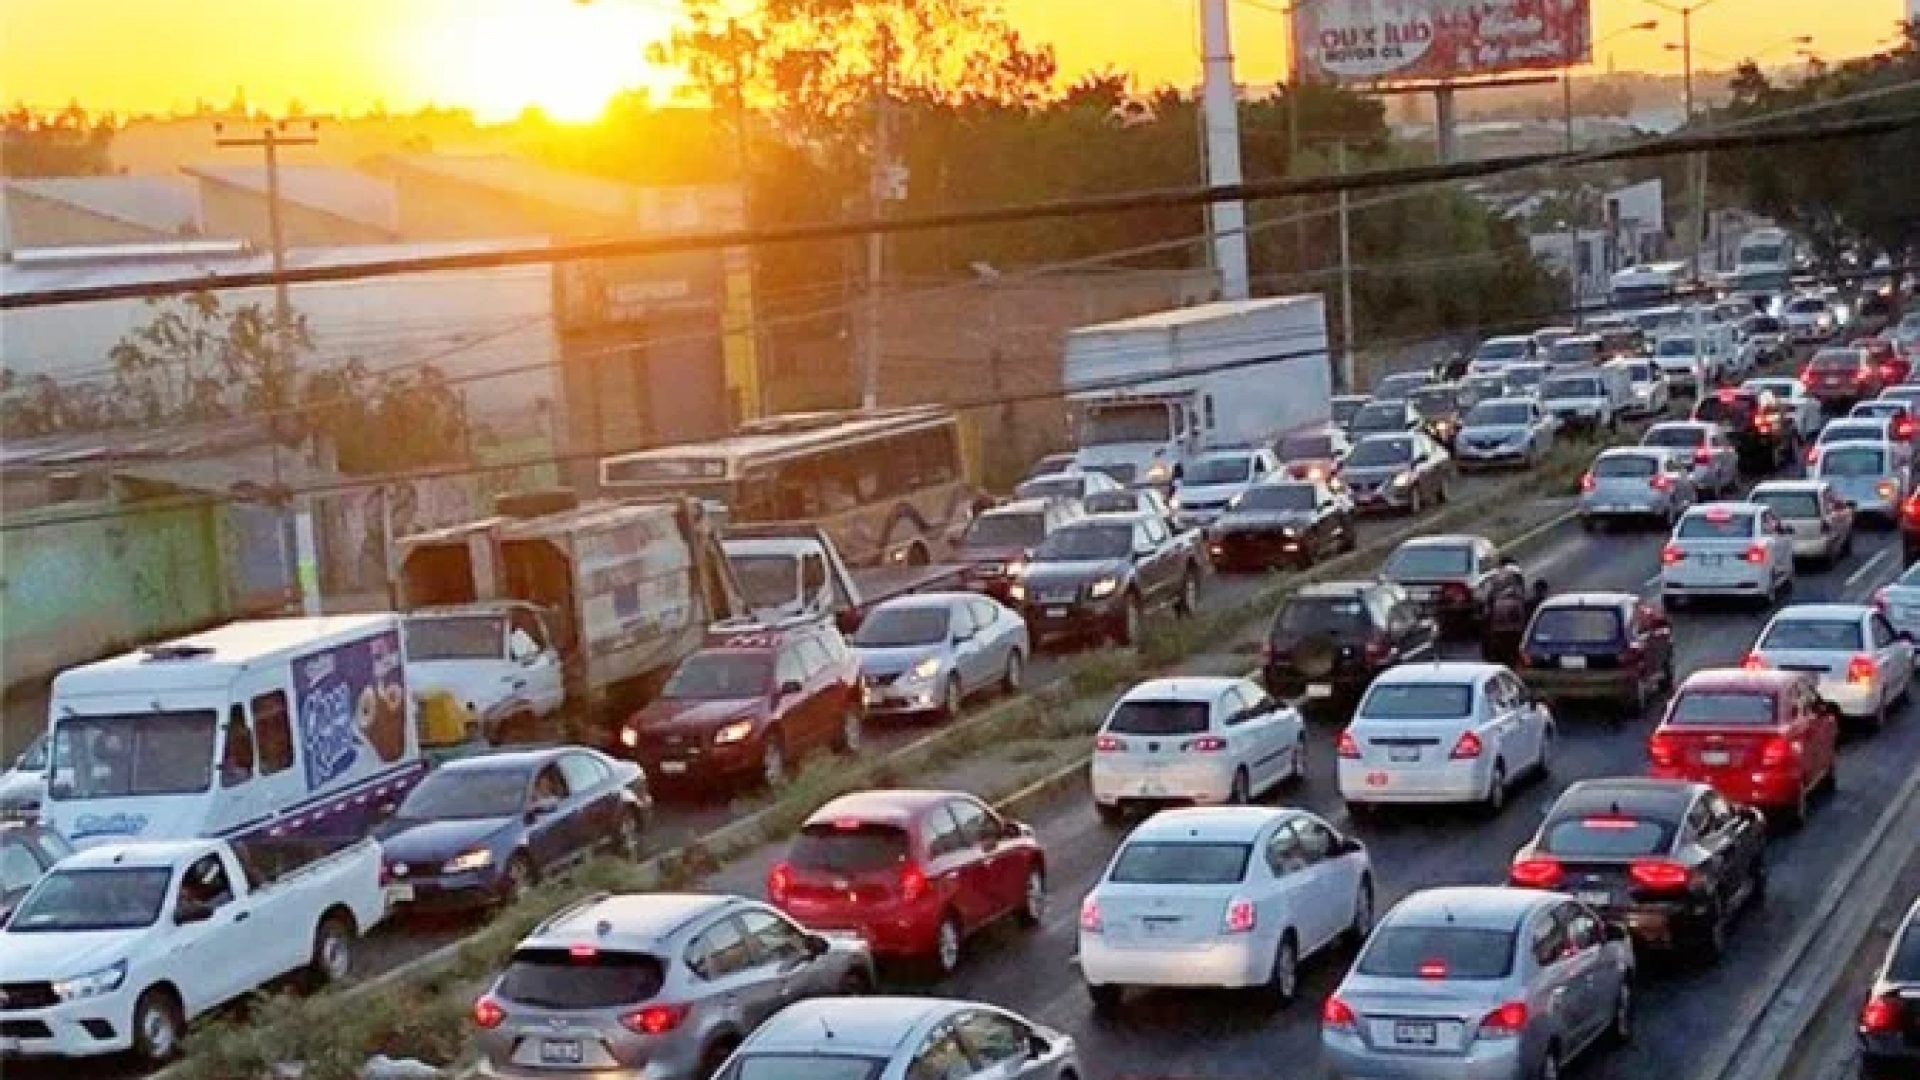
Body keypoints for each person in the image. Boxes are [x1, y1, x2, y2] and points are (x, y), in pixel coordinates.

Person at [1483, 557, 1535, 668]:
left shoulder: (1496, 576)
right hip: (1513, 624)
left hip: (1499, 624)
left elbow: (1488, 598)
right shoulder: (1516, 574)